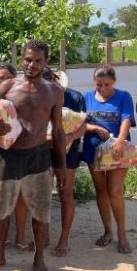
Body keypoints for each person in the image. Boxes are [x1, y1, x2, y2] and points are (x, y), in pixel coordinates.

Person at [0, 40, 65, 271]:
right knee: (1, 210)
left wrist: (61, 166)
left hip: (38, 156)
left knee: (40, 212)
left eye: (38, 60)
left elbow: (58, 130)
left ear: (46, 62)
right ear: (22, 59)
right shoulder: (7, 86)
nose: (32, 64)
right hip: (8, 156)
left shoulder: (54, 91)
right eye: (28, 59)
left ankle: (39, 258)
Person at [82, 65, 136, 254]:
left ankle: (122, 234)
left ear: (114, 82)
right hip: (92, 150)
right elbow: (80, 122)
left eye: (107, 84)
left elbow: (127, 119)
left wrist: (120, 141)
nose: (102, 89)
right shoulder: (87, 98)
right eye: (99, 85)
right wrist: (94, 129)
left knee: (115, 191)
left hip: (117, 150)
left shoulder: (124, 96)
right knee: (101, 190)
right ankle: (107, 232)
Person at [0, 63, 30, 252]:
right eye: (0, 77)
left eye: (8, 78)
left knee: (20, 198)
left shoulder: (19, 99)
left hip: (19, 153)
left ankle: (20, 237)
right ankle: (1, 238)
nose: (3, 81)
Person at [42, 68, 87, 257]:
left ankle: (64, 238)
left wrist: (70, 137)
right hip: (43, 150)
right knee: (41, 194)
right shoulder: (36, 95)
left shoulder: (75, 97)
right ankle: (42, 236)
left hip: (68, 152)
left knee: (65, 192)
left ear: (55, 79)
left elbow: (83, 123)